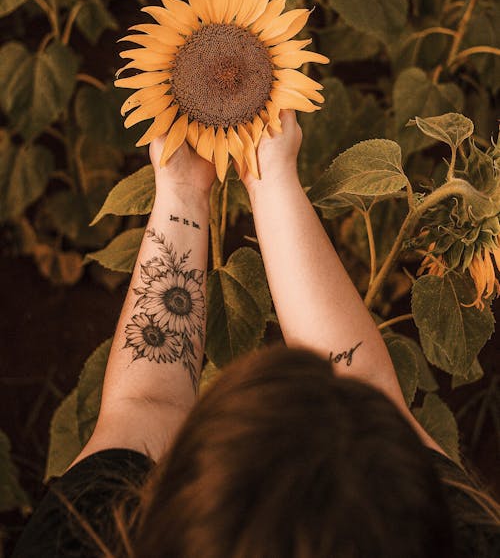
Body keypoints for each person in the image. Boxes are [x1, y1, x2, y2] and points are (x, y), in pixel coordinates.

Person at [12, 109, 500, 558]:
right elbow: (366, 381)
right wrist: (270, 179)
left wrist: (181, 190)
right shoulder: (463, 535)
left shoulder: (81, 536)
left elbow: (146, 405)